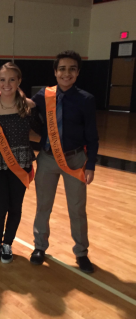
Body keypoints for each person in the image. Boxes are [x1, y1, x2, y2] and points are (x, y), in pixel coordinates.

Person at [30, 50, 99, 273]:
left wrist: (90, 165)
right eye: (62, 69)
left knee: (77, 208)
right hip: (48, 159)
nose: (66, 73)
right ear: (55, 72)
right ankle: (40, 247)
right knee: (43, 205)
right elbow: (29, 113)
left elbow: (92, 135)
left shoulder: (86, 100)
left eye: (71, 69)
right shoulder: (43, 95)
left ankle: (81, 252)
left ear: (78, 72)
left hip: (76, 159)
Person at [0, 62, 41, 263]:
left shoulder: (29, 106)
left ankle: (8, 243)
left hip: (21, 161)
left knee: (16, 206)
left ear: (19, 81)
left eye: (12, 79)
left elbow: (45, 131)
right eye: (3, 79)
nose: (7, 84)